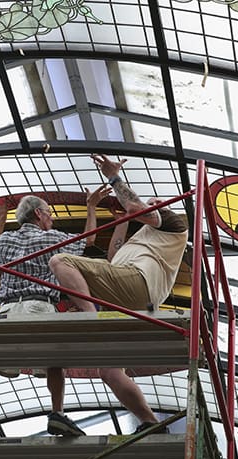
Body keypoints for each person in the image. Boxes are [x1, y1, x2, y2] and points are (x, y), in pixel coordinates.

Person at [0, 186, 111, 439]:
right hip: (39, 306)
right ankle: (57, 415)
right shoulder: (52, 237)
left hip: (7, 309)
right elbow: (88, 241)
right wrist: (91, 206)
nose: (51, 218)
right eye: (49, 213)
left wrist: (0, 219)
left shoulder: (6, 240)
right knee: (55, 360)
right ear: (39, 214)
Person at [49, 153, 188, 434]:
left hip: (138, 284)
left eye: (153, 205)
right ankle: (150, 422)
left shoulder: (174, 222)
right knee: (109, 371)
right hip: (130, 299)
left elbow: (138, 205)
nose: (150, 206)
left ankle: (91, 319)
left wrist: (113, 177)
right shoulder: (143, 237)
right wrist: (123, 220)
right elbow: (113, 258)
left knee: (59, 261)